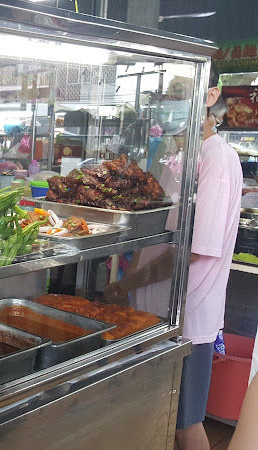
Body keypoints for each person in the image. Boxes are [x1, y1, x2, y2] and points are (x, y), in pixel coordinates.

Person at [106, 66, 240, 449]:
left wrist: (127, 283)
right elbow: (157, 223)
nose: (172, 104)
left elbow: (195, 250)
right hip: (156, 309)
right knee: (159, 417)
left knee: (185, 422)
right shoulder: (180, 157)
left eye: (182, 93)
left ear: (210, 96)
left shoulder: (217, 160)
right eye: (168, 96)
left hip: (187, 314)